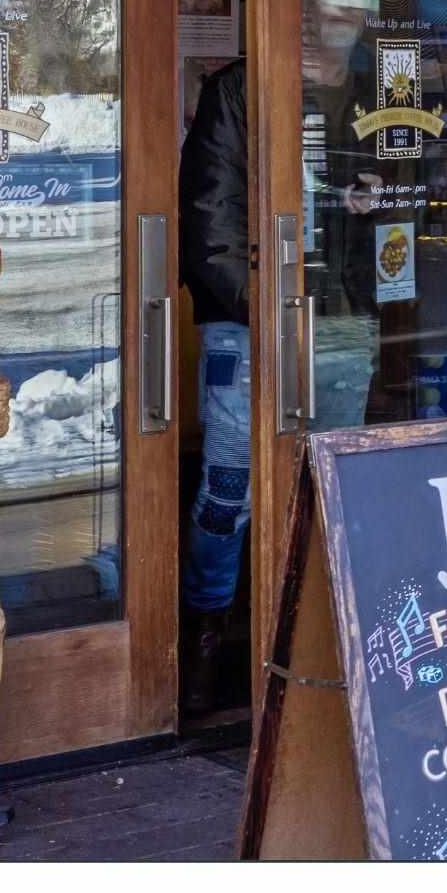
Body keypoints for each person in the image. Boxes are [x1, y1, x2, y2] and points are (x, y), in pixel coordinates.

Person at [177, 56, 252, 703]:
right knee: (229, 489)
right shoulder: (236, 89)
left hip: (340, 319)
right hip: (246, 324)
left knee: (338, 480)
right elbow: (209, 223)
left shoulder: (363, 72)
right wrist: (266, 304)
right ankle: (206, 625)